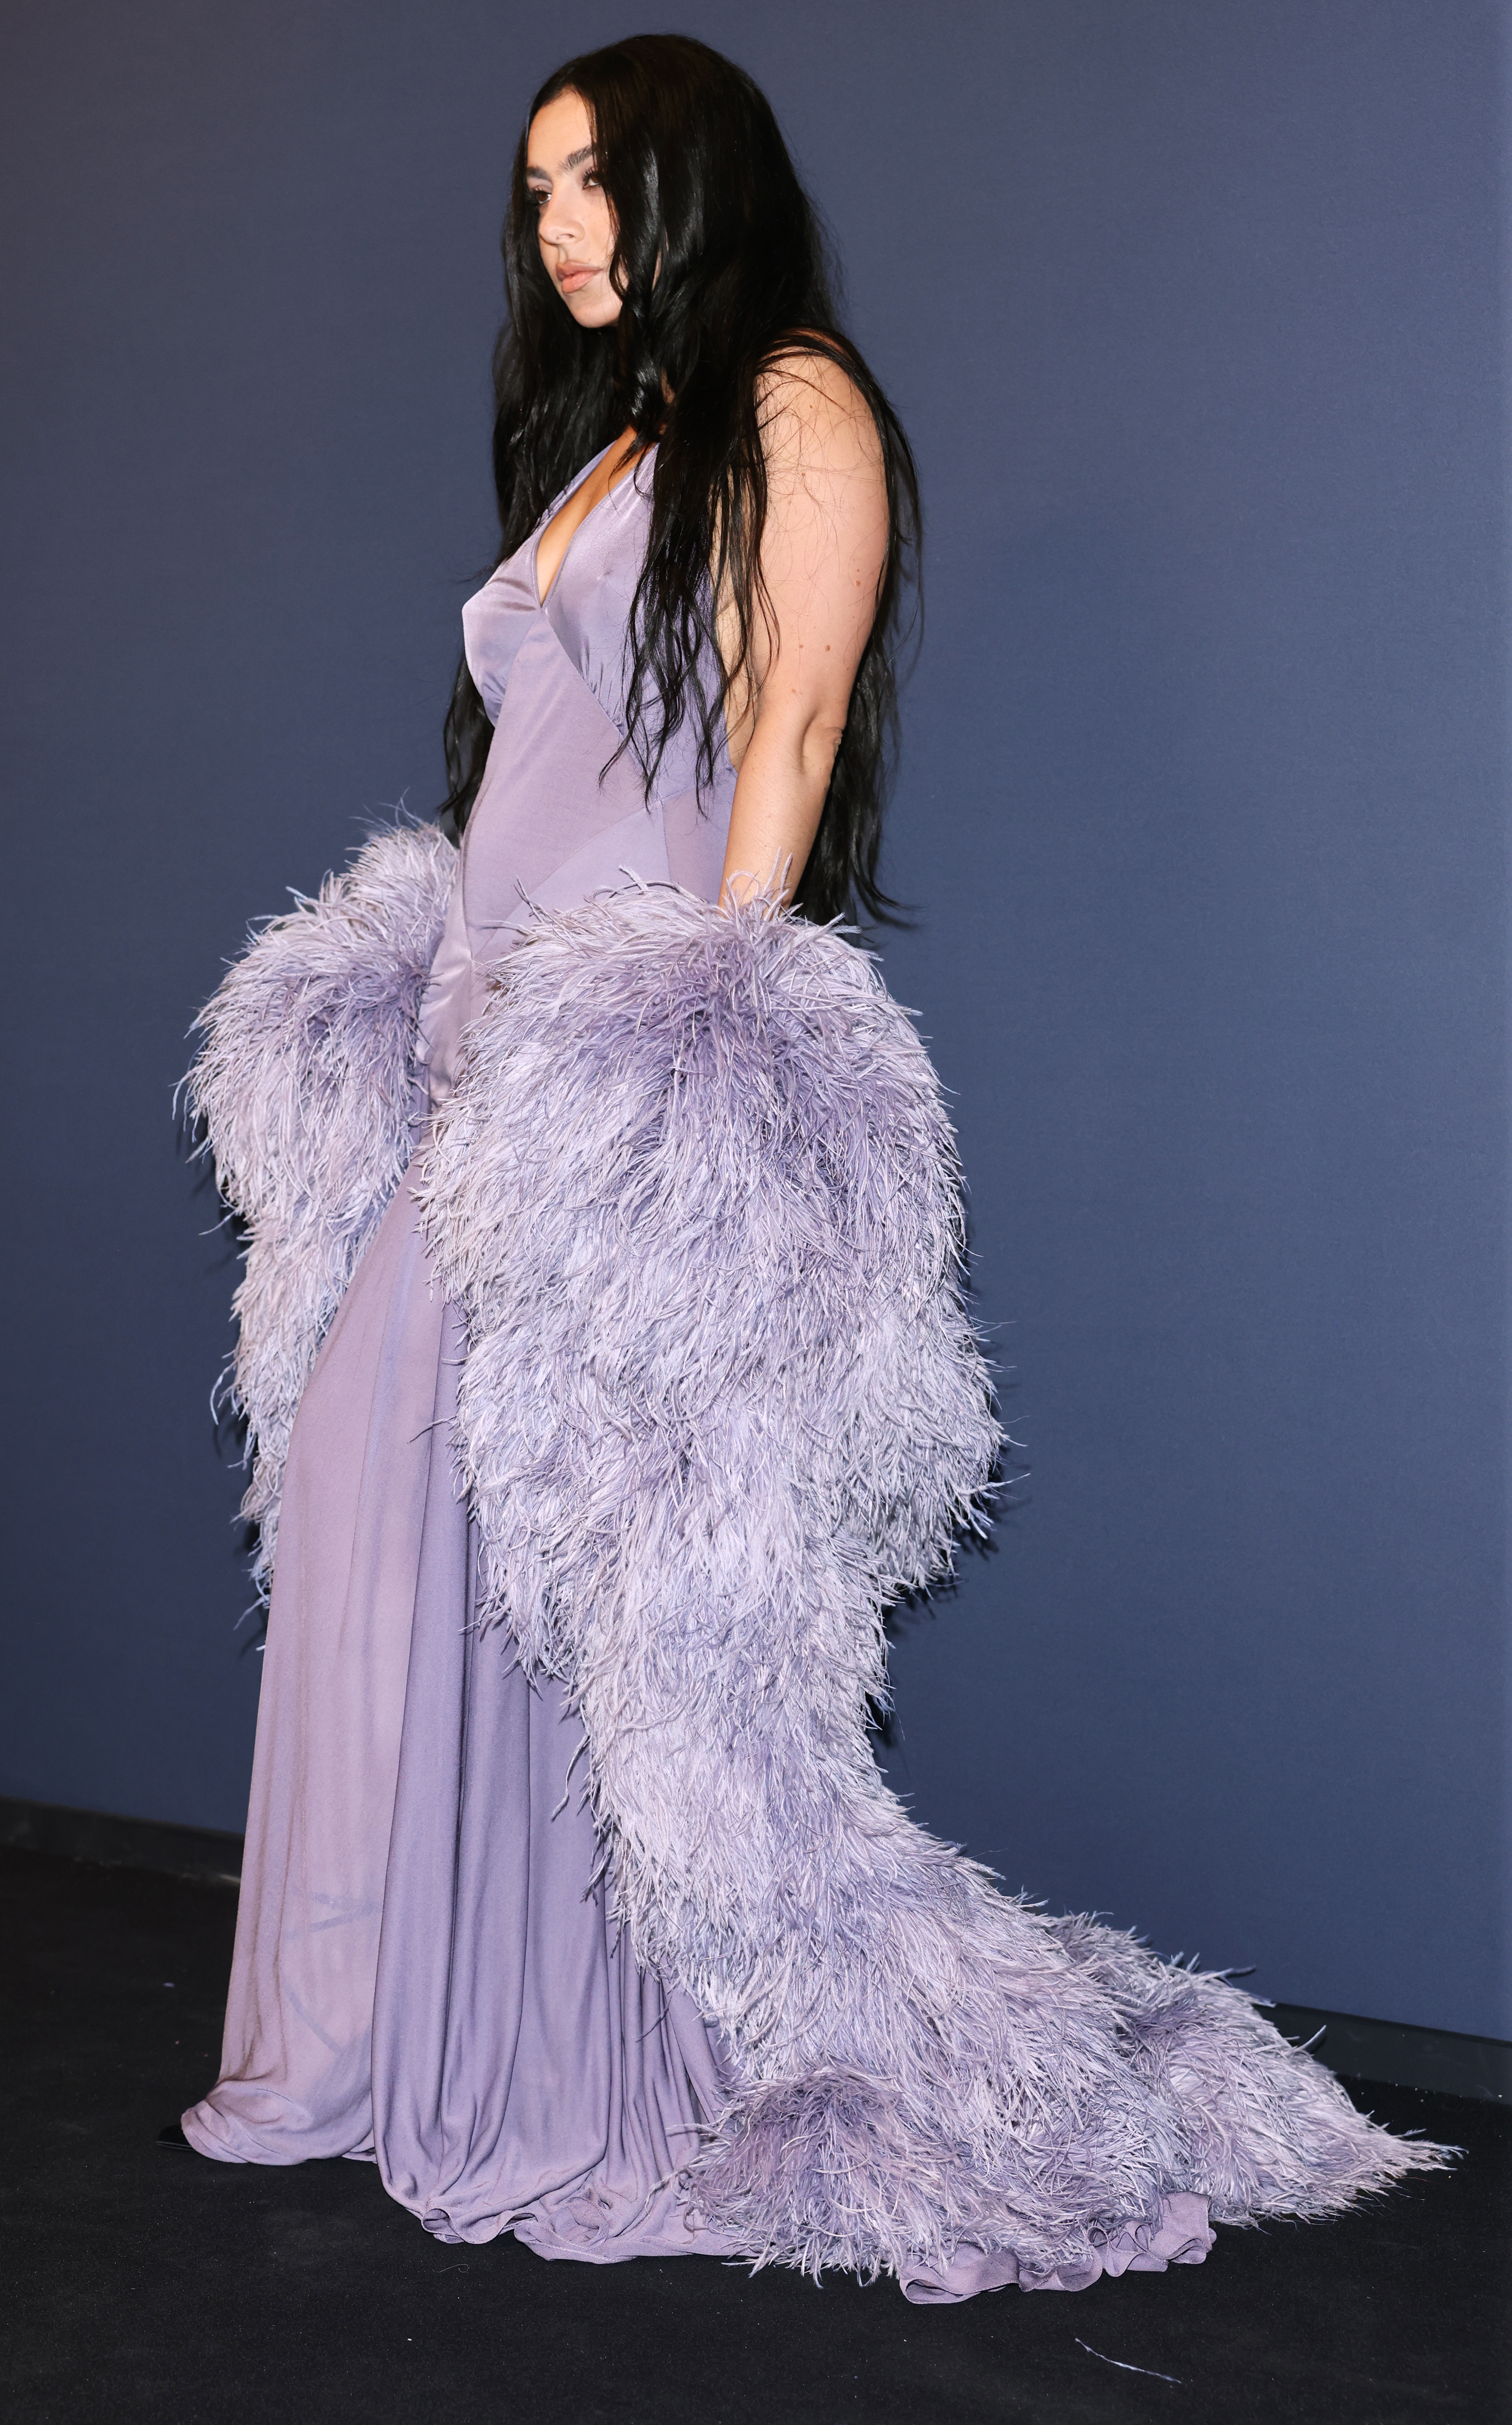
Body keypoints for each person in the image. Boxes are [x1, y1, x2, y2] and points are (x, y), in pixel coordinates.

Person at [177, 35, 1439, 2302]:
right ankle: (376, 2037)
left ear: (700, 184)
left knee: (575, 1593)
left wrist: (693, 1040)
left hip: (598, 1101)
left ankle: (561, 2052)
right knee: (392, 1544)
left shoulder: (798, 402)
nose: (559, 222)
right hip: (476, 1074)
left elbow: (790, 723)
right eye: (538, 184)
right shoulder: (627, 434)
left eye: (599, 181)